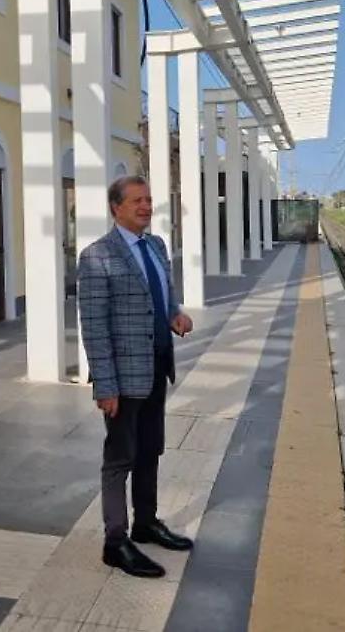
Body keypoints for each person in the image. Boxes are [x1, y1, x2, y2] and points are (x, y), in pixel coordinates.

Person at [76, 175, 195, 578]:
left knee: (151, 450)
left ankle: (146, 523)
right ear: (116, 207)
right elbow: (94, 326)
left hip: (157, 367)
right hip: (123, 379)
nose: (146, 206)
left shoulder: (157, 246)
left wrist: (174, 314)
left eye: (149, 200)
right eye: (137, 201)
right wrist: (105, 385)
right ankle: (116, 541)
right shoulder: (97, 256)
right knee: (120, 457)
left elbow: (162, 295)